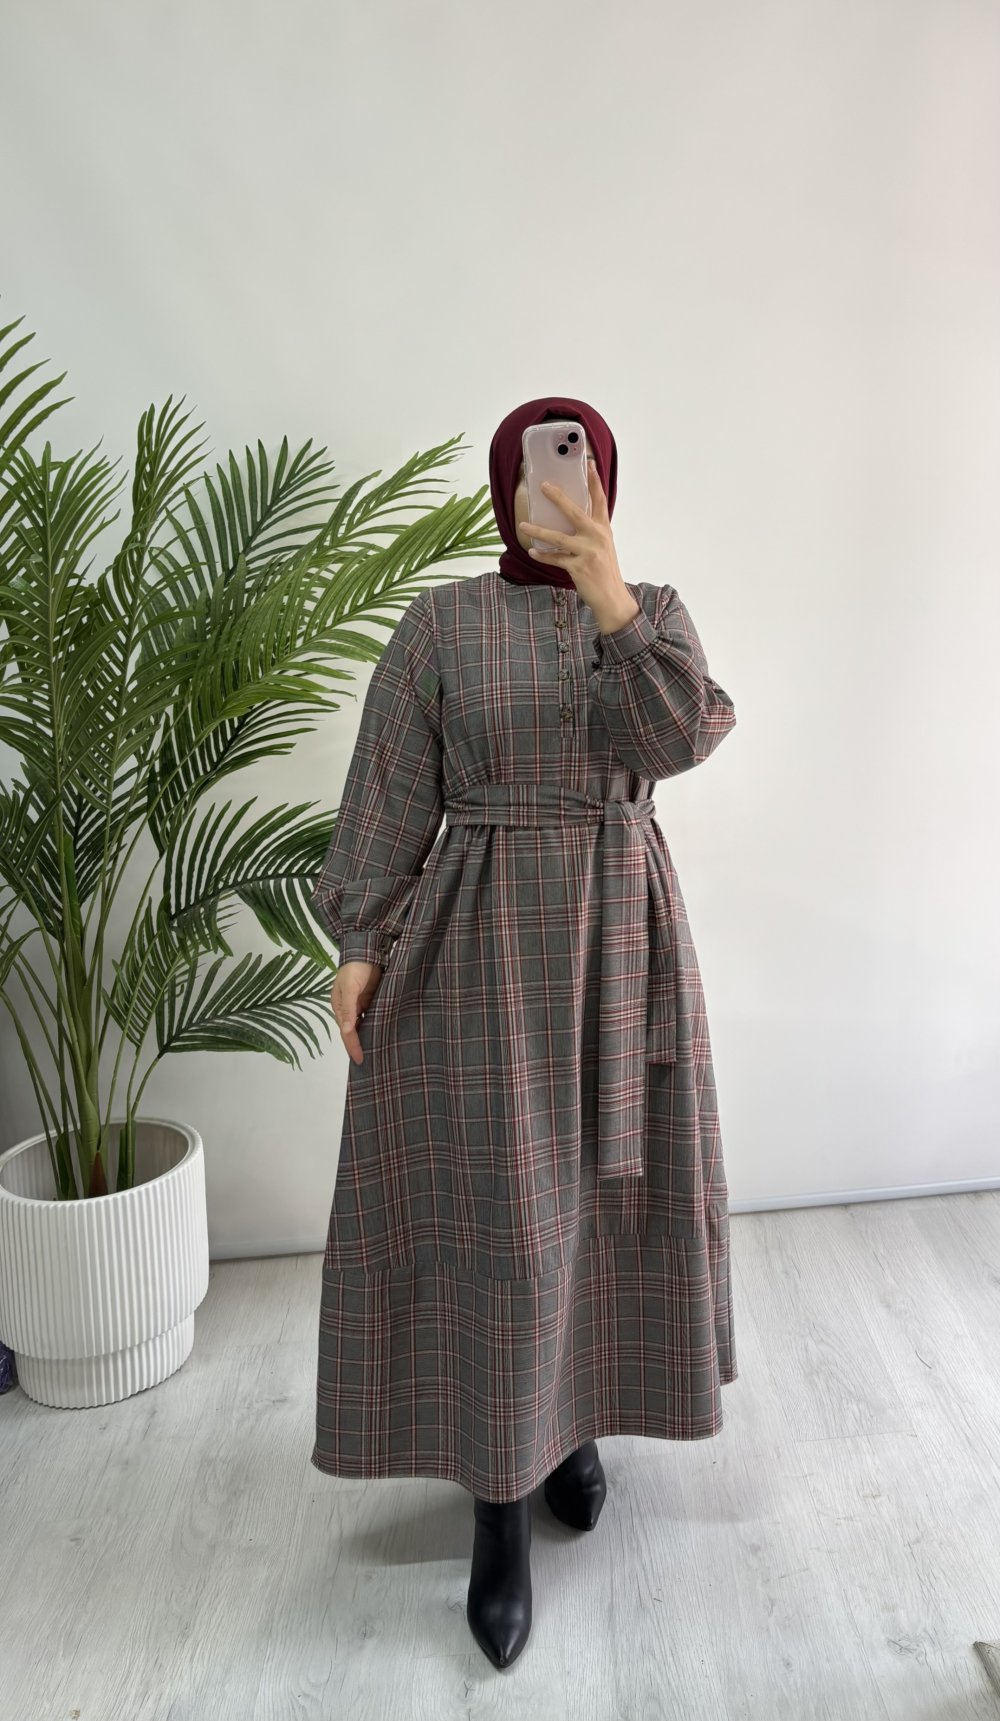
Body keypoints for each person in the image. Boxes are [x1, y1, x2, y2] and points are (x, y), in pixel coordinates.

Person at [308, 395, 738, 1670]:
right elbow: (390, 779)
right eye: (538, 468)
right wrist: (359, 937)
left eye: (580, 467)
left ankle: (575, 1424)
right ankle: (499, 1503)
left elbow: (679, 736)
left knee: (603, 1200)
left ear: (605, 483)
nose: (555, 487)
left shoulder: (653, 614)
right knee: (504, 1216)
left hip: (621, 945)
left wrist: (605, 589)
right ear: (504, 481)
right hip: (478, 946)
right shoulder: (441, 620)